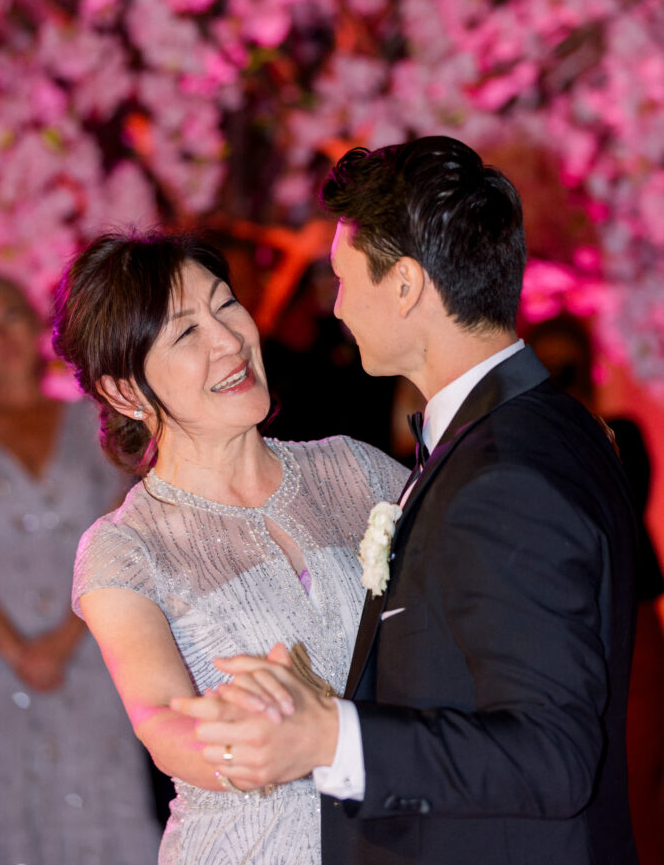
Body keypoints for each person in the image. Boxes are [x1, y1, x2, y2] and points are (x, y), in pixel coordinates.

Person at [174, 137, 640, 865]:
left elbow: (551, 756)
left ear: (404, 285)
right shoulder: (527, 425)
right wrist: (339, 707)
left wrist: (331, 737)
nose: (335, 306)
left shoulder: (505, 474)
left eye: (343, 277)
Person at [51, 230, 408, 865]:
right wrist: (256, 746)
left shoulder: (358, 471)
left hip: (397, 834)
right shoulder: (125, 550)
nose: (229, 340)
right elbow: (161, 721)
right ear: (123, 392)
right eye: (185, 333)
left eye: (225, 305)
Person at [0, 274, 161, 864]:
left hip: (94, 649)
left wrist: (63, 638)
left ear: (36, 325)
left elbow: (127, 529)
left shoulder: (94, 425)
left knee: (105, 805)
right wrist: (16, 651)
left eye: (9, 315)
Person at [528, 312, 664, 865]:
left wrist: (571, 407)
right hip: (565, 639)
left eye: (570, 367)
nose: (561, 377)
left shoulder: (621, 435)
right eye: (548, 368)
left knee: (641, 784)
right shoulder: (521, 445)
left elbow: (617, 502)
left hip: (634, 635)